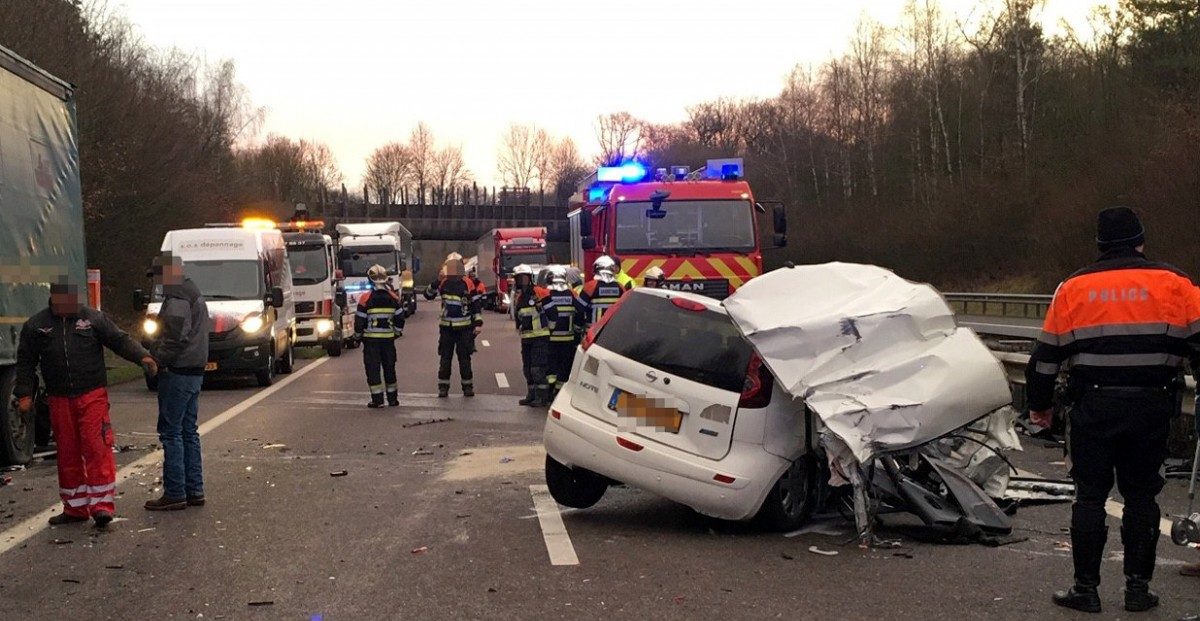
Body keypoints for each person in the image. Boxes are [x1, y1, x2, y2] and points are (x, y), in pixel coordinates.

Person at [1026, 207, 1200, 614]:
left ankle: (1085, 590)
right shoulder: (1177, 284)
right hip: (1151, 408)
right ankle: (1138, 590)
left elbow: (1045, 358)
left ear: (1100, 245)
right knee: (1141, 496)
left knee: (1089, 497)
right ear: (1141, 241)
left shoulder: (1073, 288)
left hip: (1093, 408)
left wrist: (1040, 407)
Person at [14, 280, 156, 527]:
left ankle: (102, 506)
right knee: (67, 452)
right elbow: (25, 362)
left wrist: (142, 356)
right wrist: (24, 394)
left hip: (92, 395)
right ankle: (75, 507)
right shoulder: (37, 325)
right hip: (59, 399)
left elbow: (119, 341)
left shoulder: (93, 319)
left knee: (96, 447)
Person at [145, 252, 211, 512]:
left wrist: (156, 359)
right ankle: (194, 490)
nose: (158, 282)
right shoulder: (192, 291)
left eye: (159, 276)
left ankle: (175, 492)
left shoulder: (178, 297)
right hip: (194, 369)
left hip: (179, 370)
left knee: (171, 432)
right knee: (188, 431)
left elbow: (175, 336)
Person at [424, 258, 482, 398]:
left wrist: (478, 324)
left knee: (464, 359)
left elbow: (475, 305)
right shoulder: (443, 282)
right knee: (445, 359)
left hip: (464, 328)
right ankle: (443, 388)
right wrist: (437, 280)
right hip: (446, 328)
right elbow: (428, 295)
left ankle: (467, 387)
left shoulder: (467, 283)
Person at [354, 264, 405, 408]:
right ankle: (393, 399)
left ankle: (377, 400)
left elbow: (360, 321)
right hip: (388, 340)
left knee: (373, 369)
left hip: (371, 341)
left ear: (370, 280)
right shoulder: (393, 298)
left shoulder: (365, 298)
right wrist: (395, 332)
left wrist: (357, 337)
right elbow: (400, 318)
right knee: (390, 368)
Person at [512, 264, 553, 407]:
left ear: (530, 278)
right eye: (519, 278)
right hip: (526, 338)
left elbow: (553, 313)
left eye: (524, 278)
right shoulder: (520, 296)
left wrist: (550, 330)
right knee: (527, 368)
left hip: (540, 338)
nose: (522, 281)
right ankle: (531, 394)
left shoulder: (540, 292)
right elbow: (519, 316)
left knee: (538, 369)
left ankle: (542, 397)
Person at [544, 268, 584, 395]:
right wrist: (577, 328)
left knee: (550, 366)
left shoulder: (546, 294)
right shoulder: (571, 294)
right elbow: (581, 311)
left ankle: (549, 390)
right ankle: (559, 391)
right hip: (568, 339)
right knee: (564, 366)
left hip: (550, 338)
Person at [578, 256, 626, 328]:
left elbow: (579, 309)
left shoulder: (590, 286)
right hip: (614, 331)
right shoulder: (621, 287)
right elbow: (625, 309)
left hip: (593, 334)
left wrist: (579, 325)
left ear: (596, 269)